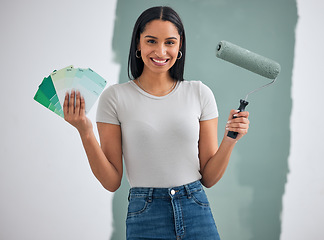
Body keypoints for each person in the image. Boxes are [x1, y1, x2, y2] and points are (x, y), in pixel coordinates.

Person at [63, 6, 249, 240]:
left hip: (195, 209)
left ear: (180, 46)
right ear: (138, 44)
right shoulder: (115, 97)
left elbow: (209, 178)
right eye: (151, 41)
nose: (161, 51)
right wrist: (85, 131)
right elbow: (111, 182)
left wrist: (230, 139)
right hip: (145, 214)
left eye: (170, 42)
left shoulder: (200, 93)